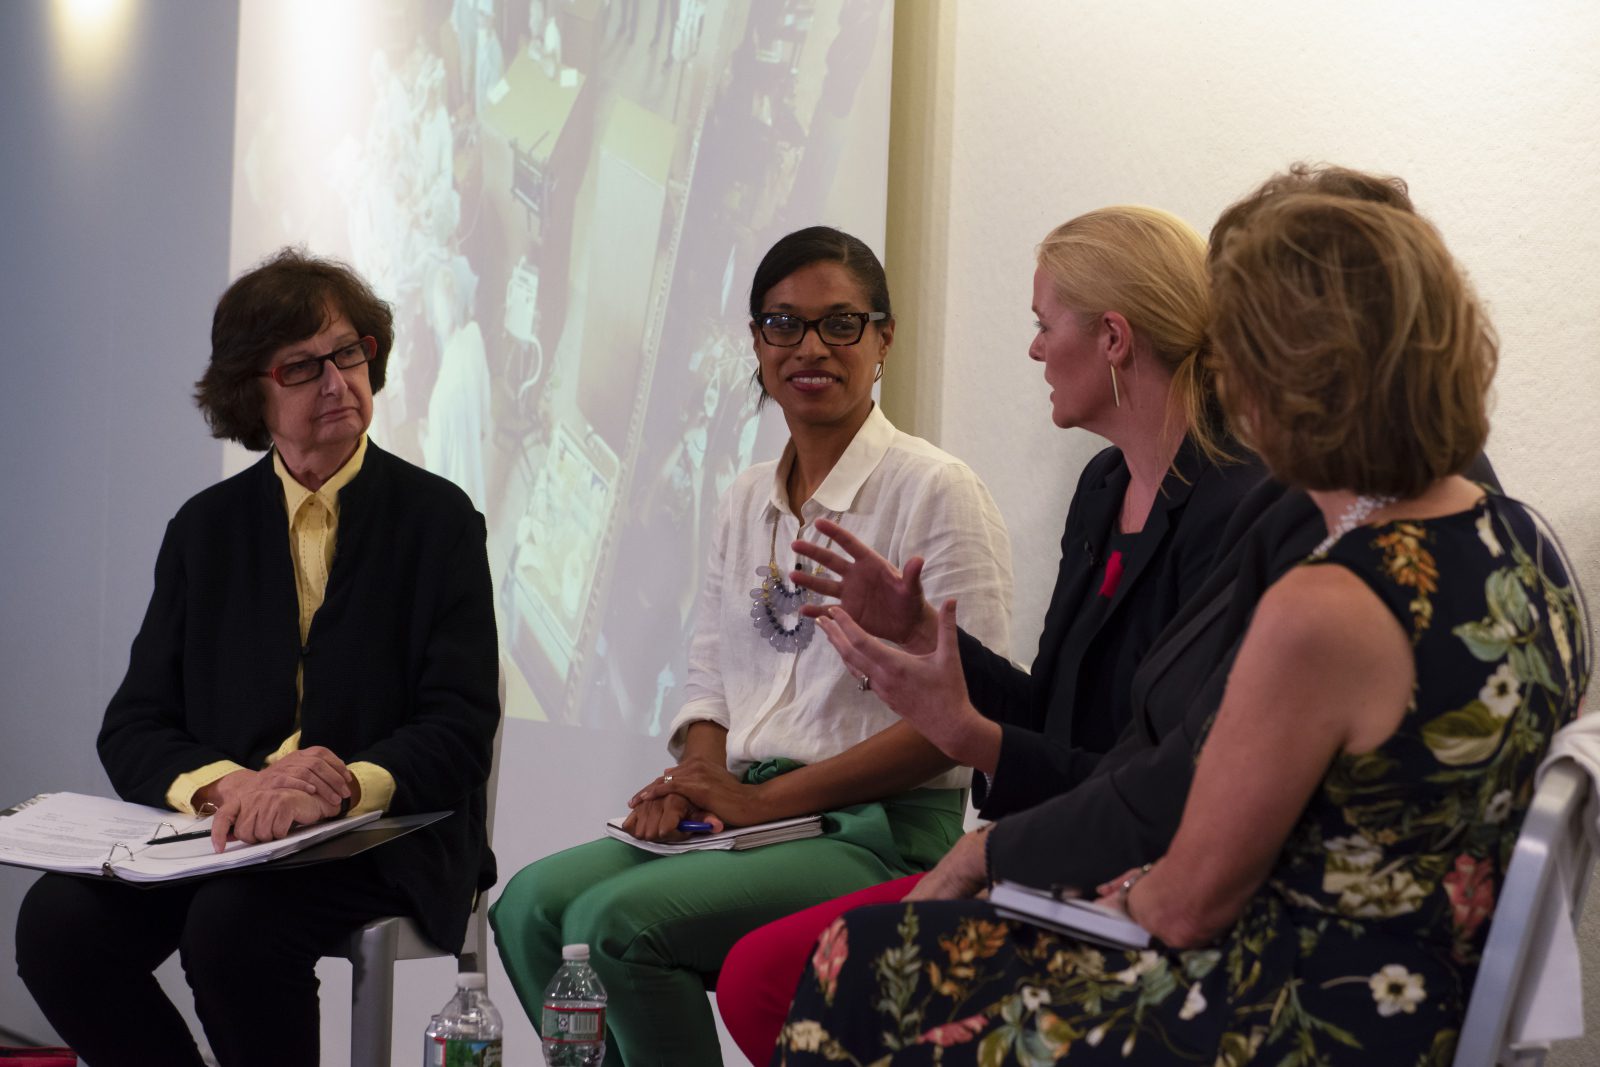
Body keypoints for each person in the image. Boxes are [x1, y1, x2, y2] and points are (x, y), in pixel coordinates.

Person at [773, 194, 1590, 1064]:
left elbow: (1188, 902)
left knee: (857, 962)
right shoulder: (1525, 541)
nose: (1221, 372)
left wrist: (1031, 874)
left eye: (1235, 345)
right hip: (1410, 997)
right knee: (877, 955)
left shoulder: (1329, 601)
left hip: (1300, 1014)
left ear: (1293, 372)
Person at [716, 205, 1264, 1061]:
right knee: (758, 976)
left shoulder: (1238, 508)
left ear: (1113, 338)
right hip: (1051, 851)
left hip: (1121, 881)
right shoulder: (1104, 485)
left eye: (1046, 325)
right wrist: (917, 634)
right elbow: (1052, 714)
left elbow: (1153, 781)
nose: (1035, 350)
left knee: (795, 976)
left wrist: (974, 757)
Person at [488, 226, 1012, 1065]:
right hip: (750, 814)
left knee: (612, 926)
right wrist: (696, 786)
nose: (811, 347)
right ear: (757, 342)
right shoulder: (742, 496)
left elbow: (962, 720)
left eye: (841, 324)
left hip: (876, 831)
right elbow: (710, 681)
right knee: (529, 907)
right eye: (784, 323)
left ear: (884, 339)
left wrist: (764, 801)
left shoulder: (935, 488)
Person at [14, 249, 500, 1067]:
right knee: (57, 925)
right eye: (302, 367)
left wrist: (339, 786)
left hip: (384, 837)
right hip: (230, 836)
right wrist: (229, 786)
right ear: (252, 393)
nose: (336, 382)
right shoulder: (204, 530)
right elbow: (134, 724)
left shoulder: (439, 521)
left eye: (348, 353)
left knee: (233, 925)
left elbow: (458, 724)